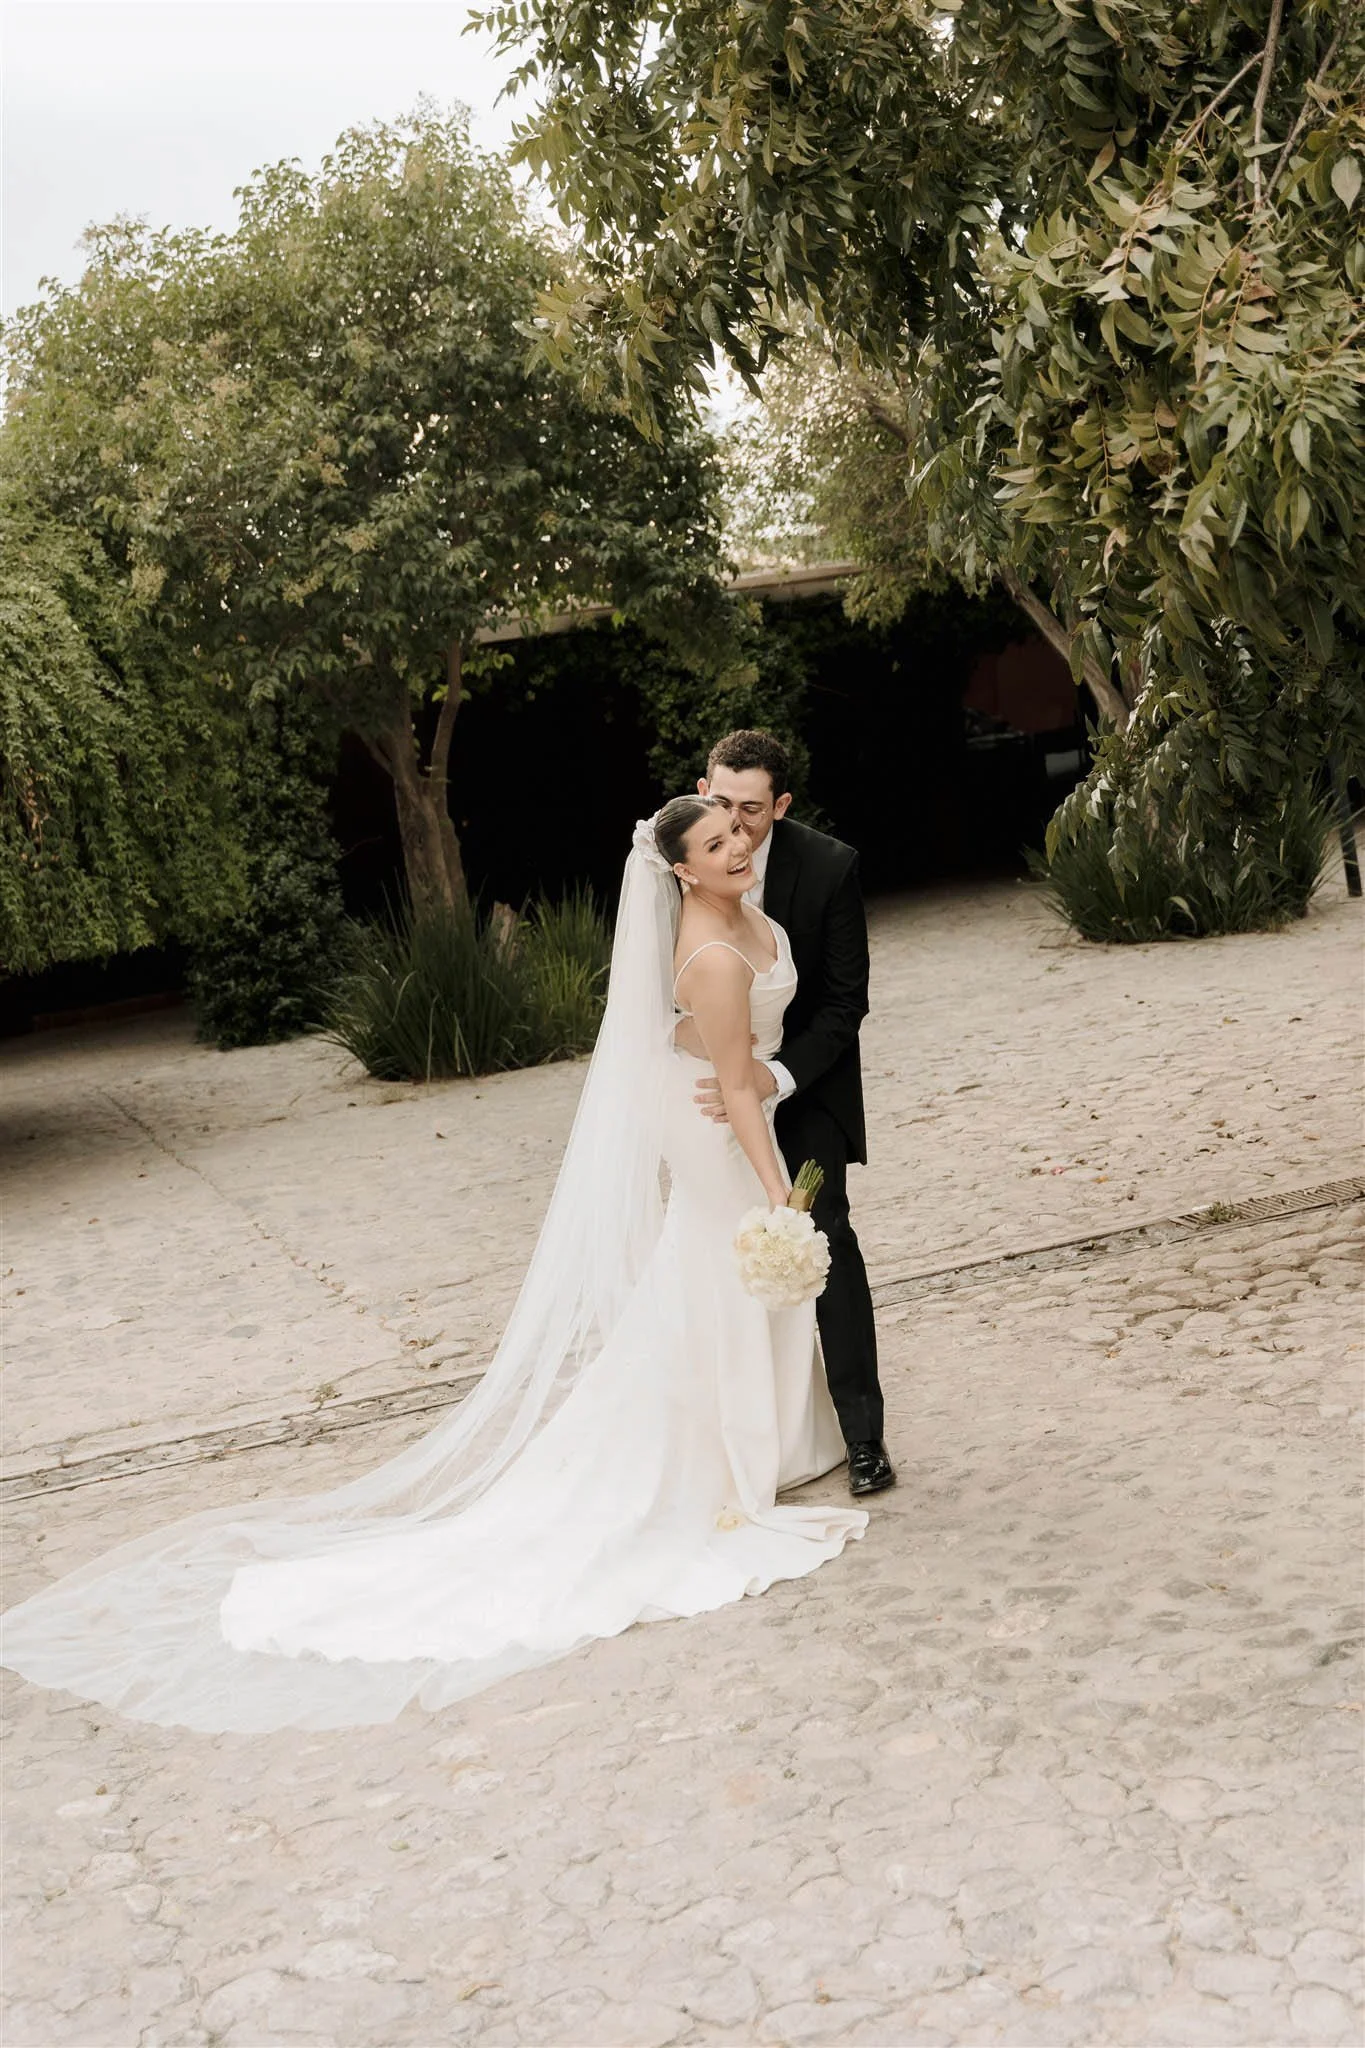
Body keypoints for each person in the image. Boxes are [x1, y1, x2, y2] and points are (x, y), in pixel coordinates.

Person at [0, 798, 867, 1733]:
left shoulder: (744, 913)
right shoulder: (711, 951)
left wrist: (745, 1089)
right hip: (714, 1122)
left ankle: (765, 1434)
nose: (736, 847)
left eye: (737, 833)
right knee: (722, 1258)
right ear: (682, 872)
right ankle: (716, 1451)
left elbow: (723, 1050)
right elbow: (730, 1079)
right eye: (714, 844)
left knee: (714, 1267)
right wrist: (777, 1189)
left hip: (723, 1101)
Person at [698, 730, 894, 1498]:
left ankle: (863, 1438)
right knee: (711, 1253)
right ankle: (735, 1437)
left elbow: (845, 1003)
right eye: (721, 802)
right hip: (713, 1095)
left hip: (804, 1086)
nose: (734, 824)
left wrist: (770, 1078)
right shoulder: (676, 856)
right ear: (702, 790)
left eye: (750, 809)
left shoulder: (829, 866)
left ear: (780, 805)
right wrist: (718, 1069)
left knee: (825, 1238)